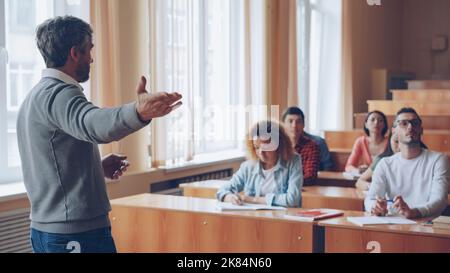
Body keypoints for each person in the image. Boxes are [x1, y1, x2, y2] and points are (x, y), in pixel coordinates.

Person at [16, 16, 182, 253]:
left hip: (50, 231)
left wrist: (94, 167)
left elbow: (49, 162)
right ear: (75, 53)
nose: (92, 58)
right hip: (74, 233)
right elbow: (94, 124)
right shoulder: (60, 95)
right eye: (89, 50)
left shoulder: (35, 96)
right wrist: (139, 111)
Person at [365, 108, 449, 219]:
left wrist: (414, 212)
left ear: (421, 129)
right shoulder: (384, 164)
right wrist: (375, 207)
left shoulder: (439, 160)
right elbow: (370, 199)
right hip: (394, 225)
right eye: (404, 123)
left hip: (427, 226)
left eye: (415, 123)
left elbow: (439, 200)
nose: (410, 127)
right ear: (394, 130)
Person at [216, 120, 303, 208]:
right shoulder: (248, 167)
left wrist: (253, 200)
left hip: (285, 218)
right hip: (255, 218)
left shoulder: (293, 161)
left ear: (279, 144)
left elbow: (293, 199)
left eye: (265, 146)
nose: (261, 152)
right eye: (257, 147)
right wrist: (229, 197)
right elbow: (222, 191)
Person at [281, 107, 320, 185]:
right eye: (290, 121)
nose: (294, 125)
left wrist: (288, 183)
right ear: (283, 124)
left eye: (298, 122)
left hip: (303, 189)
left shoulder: (311, 146)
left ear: (303, 125)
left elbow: (310, 176)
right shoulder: (277, 145)